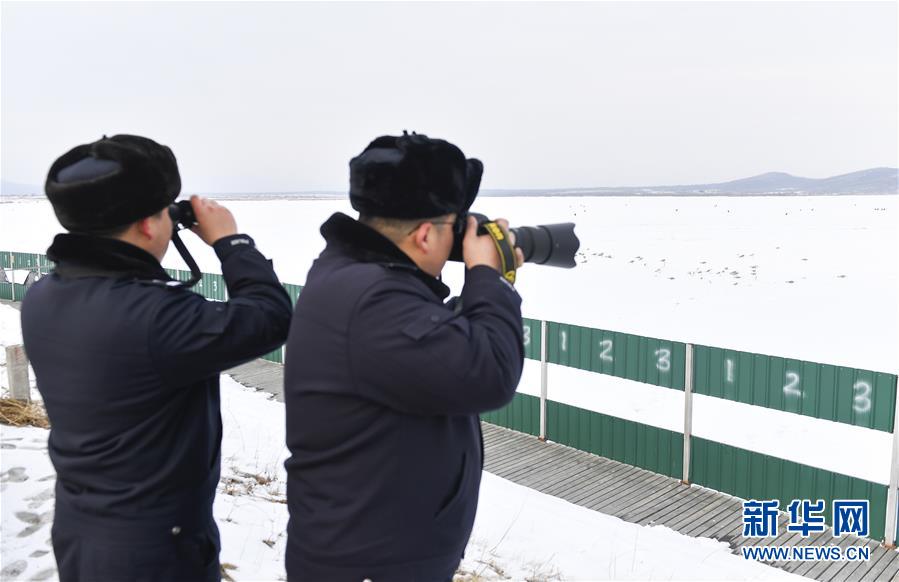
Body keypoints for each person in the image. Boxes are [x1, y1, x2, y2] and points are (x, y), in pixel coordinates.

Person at [21, 134, 293, 582]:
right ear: (149, 226)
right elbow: (270, 318)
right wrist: (232, 241)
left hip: (81, 533)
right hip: (154, 554)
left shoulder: (44, 295)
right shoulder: (156, 317)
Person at [283, 132, 525, 581]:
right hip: (370, 564)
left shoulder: (359, 276)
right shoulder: (374, 300)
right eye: (454, 226)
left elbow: (433, 348)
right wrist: (489, 277)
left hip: (370, 552)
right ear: (425, 234)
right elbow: (490, 373)